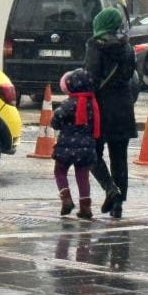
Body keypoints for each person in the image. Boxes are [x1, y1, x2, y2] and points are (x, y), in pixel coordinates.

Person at [85, 7, 137, 219]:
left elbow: (90, 78)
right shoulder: (128, 49)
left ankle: (109, 188)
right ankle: (118, 206)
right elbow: (131, 78)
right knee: (120, 159)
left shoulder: (95, 47)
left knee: (91, 153)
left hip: (100, 108)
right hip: (123, 108)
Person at [51, 68, 101, 219]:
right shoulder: (93, 104)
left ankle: (66, 198)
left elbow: (56, 120)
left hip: (66, 146)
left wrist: (59, 124)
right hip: (86, 148)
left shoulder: (68, 103)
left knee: (59, 171)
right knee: (82, 175)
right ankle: (85, 208)